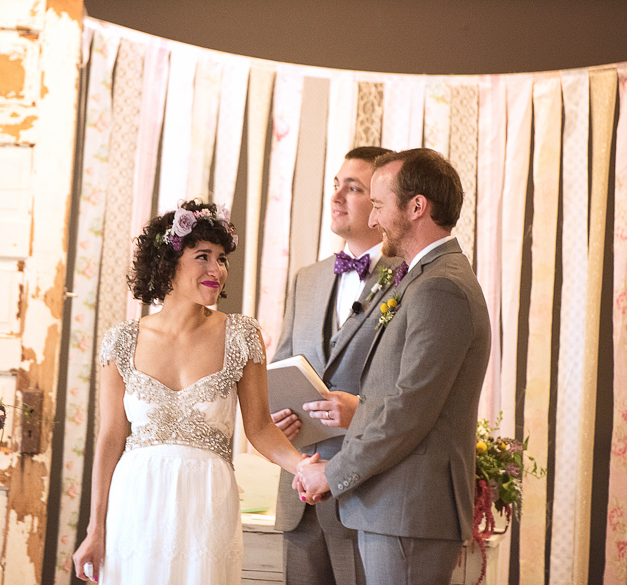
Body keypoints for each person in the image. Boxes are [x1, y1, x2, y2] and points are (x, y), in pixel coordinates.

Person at [72, 200, 303, 584]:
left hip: (206, 500)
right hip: (136, 501)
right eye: (203, 257)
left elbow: (260, 428)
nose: (217, 270)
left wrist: (304, 467)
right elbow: (111, 437)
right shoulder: (122, 341)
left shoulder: (242, 335)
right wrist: (96, 529)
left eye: (222, 258)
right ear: (168, 265)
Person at [295, 149, 491, 585]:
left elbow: (409, 412)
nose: (374, 220)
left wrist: (334, 471)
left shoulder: (440, 286)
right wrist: (359, 409)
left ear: (416, 206)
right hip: (396, 509)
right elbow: (403, 398)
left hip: (409, 511)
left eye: (380, 206)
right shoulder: (423, 277)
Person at [269, 146, 399, 585]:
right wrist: (275, 419)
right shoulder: (307, 278)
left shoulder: (411, 280)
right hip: (299, 495)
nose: (338, 195)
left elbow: (409, 390)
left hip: (365, 495)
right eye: (336, 185)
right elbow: (280, 366)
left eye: (354, 188)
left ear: (381, 201)